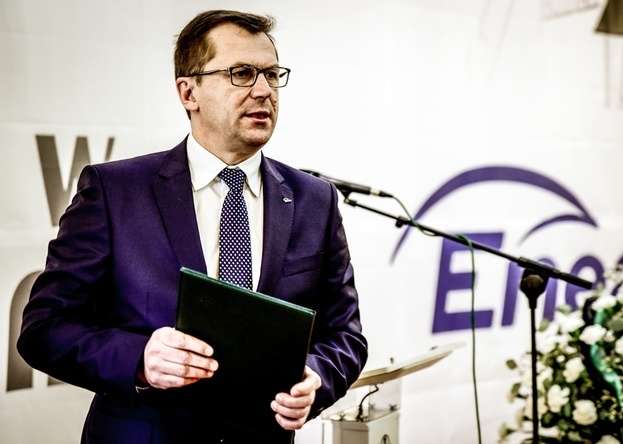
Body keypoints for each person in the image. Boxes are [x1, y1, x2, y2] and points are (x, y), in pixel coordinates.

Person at [18, 9, 367, 444]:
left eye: (272, 75)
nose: (263, 90)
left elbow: (345, 336)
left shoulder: (315, 200)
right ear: (189, 92)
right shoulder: (115, 191)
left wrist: (316, 377)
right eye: (242, 73)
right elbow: (45, 329)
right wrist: (140, 360)